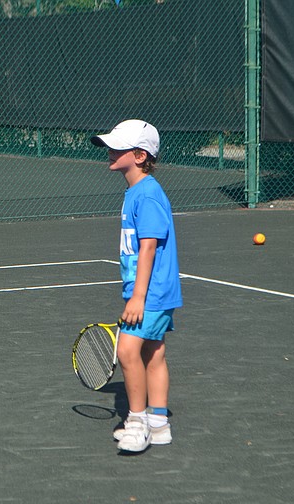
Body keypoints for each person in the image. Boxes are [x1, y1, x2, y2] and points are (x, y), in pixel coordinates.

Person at [90, 119, 183, 453]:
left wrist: (138, 297)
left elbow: (148, 247)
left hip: (152, 292)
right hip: (149, 290)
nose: (110, 151)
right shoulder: (135, 192)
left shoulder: (148, 194)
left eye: (118, 147)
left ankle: (137, 421)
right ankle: (159, 425)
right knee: (152, 351)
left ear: (141, 155)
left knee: (128, 350)